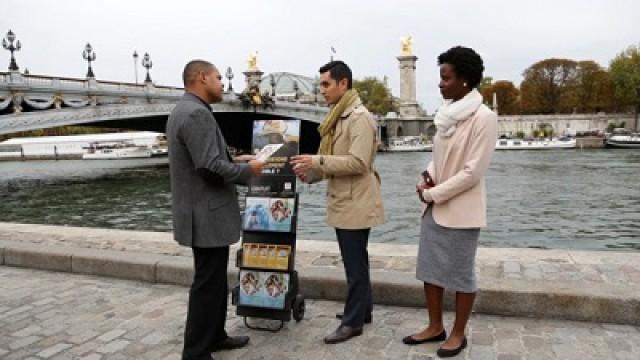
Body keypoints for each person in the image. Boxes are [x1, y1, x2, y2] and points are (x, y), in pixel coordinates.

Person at [402, 46, 497, 358]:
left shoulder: (483, 118)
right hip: (435, 206)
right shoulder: (446, 116)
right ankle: (434, 326)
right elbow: (438, 158)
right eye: (440, 78)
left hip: (461, 211)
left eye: (445, 78)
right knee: (430, 270)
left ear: (465, 80)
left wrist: (432, 193)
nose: (440, 84)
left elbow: (472, 173)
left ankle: (458, 333)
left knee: (460, 275)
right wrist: (427, 177)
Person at [166, 59, 264, 360]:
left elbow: (205, 158)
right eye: (218, 77)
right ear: (200, 77)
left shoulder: (182, 110)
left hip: (197, 211)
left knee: (214, 279)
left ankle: (215, 336)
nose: (223, 83)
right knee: (207, 283)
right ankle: (195, 351)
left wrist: (235, 159)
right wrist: (249, 169)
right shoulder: (196, 113)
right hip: (206, 213)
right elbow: (208, 168)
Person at [290, 60, 384, 344]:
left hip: (356, 200)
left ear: (343, 84)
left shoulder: (359, 118)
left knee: (354, 266)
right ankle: (362, 310)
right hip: (346, 198)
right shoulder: (338, 116)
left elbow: (358, 162)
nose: (322, 91)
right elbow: (336, 162)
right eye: (320, 84)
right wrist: (313, 175)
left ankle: (353, 322)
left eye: (326, 84)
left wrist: (316, 160)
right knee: (357, 261)